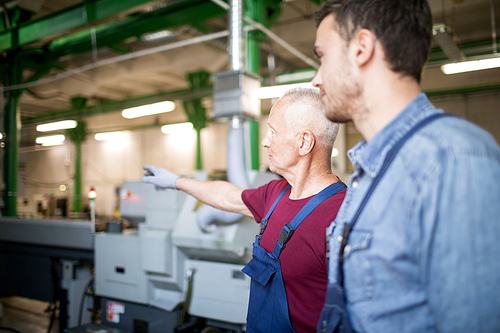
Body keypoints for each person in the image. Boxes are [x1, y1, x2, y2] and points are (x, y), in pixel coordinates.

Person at [311, 1, 500, 332]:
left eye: (322, 57)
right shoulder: (371, 171)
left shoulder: (451, 159)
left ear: (362, 48)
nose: (316, 79)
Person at [142, 87, 347, 333]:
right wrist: (177, 181)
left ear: (304, 142)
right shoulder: (276, 193)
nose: (265, 141)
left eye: (273, 131)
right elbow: (228, 197)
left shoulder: (342, 216)